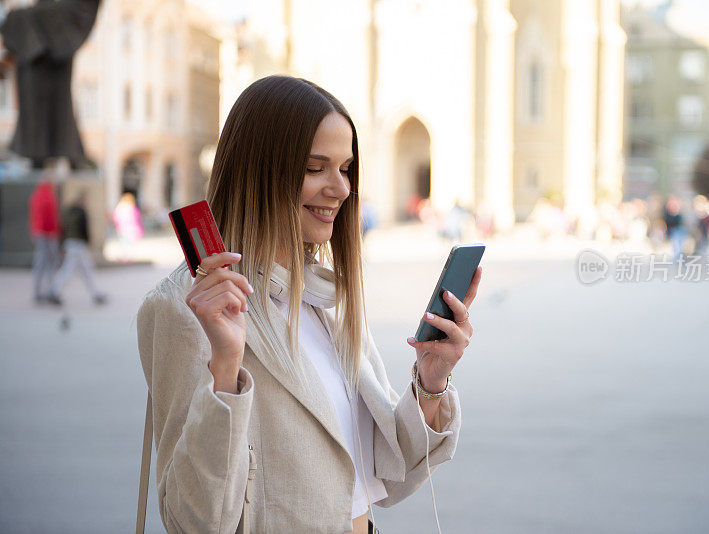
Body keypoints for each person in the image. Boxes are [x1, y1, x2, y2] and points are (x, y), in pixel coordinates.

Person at [136, 76, 481, 533]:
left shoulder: (324, 298)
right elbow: (193, 521)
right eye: (315, 168)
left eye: (345, 168)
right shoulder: (187, 307)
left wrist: (432, 382)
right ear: (259, 170)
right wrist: (225, 367)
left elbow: (388, 476)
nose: (340, 189)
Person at [47, 190, 107, 306]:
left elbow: (63, 228)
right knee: (69, 269)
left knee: (87, 269)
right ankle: (54, 290)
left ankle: (96, 293)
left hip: (70, 243)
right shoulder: (81, 212)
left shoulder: (68, 211)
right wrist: (89, 241)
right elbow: (84, 229)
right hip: (78, 244)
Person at [28, 179, 61, 304]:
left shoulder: (35, 196)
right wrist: (55, 232)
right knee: (51, 263)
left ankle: (37, 291)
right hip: (48, 234)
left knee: (40, 262)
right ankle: (51, 290)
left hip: (37, 232)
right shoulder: (49, 197)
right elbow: (51, 217)